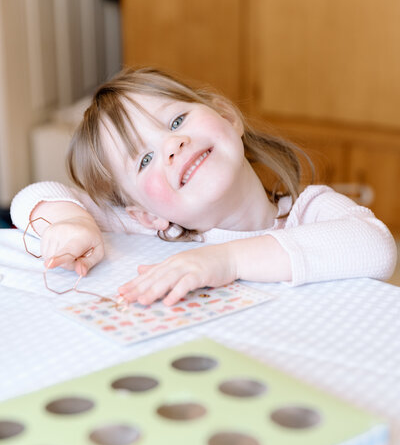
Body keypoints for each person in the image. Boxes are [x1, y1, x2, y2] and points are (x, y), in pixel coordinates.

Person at [11, 67, 397, 306]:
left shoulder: (308, 212)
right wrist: (72, 225)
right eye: (144, 160)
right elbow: (33, 196)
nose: (172, 146)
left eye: (176, 122)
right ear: (147, 214)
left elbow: (376, 247)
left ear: (227, 117)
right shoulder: (164, 232)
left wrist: (222, 261)